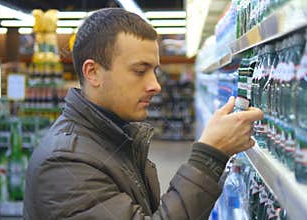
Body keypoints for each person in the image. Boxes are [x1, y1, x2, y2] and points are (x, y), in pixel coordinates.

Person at [24, 8, 263, 220]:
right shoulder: (65, 163)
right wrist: (210, 154)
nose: (155, 85)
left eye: (154, 71)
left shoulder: (115, 137)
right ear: (93, 72)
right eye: (140, 71)